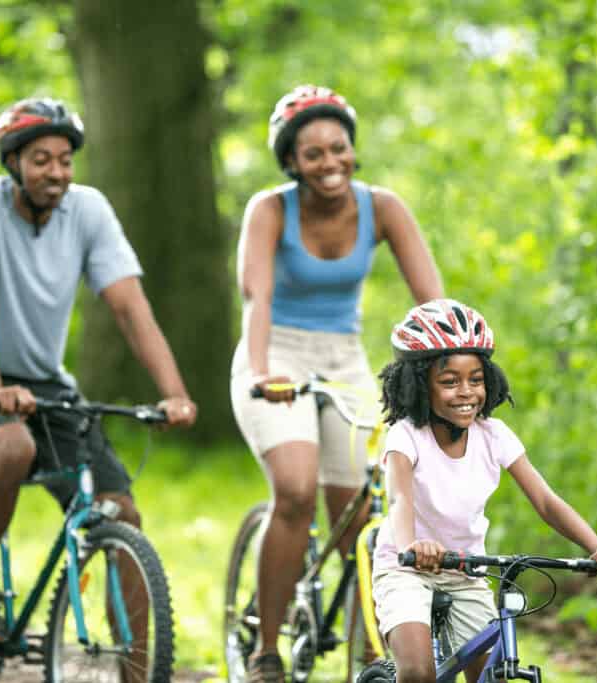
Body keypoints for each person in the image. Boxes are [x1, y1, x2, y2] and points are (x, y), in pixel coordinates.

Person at [0, 97, 198, 645]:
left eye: (65, 159)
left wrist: (174, 394)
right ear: (14, 163)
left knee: (120, 512)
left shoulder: (88, 211)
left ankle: (141, 668)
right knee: (11, 449)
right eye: (42, 159)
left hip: (44, 381)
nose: (56, 172)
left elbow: (130, 308)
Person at [230, 84, 443, 682]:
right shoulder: (270, 210)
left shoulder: (383, 208)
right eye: (313, 154)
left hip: (344, 358)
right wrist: (264, 366)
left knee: (361, 512)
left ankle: (370, 653)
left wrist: (456, 368)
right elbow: (257, 296)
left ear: (353, 149)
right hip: (275, 352)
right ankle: (266, 650)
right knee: (296, 490)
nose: (329, 163)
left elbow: (433, 299)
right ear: (291, 162)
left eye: (338, 148)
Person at [372, 299, 597, 683]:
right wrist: (412, 547)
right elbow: (400, 498)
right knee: (418, 672)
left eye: (475, 379)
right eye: (449, 381)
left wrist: (596, 546)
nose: (466, 392)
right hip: (406, 568)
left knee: (491, 673)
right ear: (419, 384)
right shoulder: (406, 435)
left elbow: (545, 500)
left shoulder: (494, 436)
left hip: (466, 571)